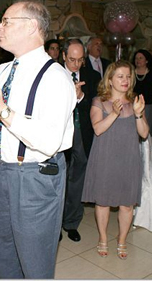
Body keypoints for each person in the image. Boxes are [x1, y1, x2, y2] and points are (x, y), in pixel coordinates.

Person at [0, 0, 76, 278]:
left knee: (34, 258)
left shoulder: (55, 77)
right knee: (3, 251)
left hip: (35, 177)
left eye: (6, 21)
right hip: (2, 172)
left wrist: (1, 110)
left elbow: (47, 141)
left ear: (31, 26)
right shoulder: (4, 70)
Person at [81, 60, 149, 260]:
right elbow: (98, 129)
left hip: (128, 158)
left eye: (128, 76)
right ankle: (102, 238)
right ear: (109, 80)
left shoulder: (135, 101)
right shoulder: (98, 101)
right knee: (102, 202)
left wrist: (138, 115)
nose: (125, 80)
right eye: (120, 76)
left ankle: (122, 240)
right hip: (105, 157)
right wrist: (113, 113)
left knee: (127, 204)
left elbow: (144, 134)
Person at [61, 38, 101, 242]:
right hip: (59, 135)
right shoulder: (54, 74)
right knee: (58, 179)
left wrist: (81, 96)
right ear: (63, 56)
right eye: (71, 60)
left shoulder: (92, 76)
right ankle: (55, 224)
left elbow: (97, 103)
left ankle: (71, 223)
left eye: (80, 60)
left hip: (82, 134)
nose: (76, 64)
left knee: (77, 180)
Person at [132, 49, 152, 132]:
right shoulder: (130, 73)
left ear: (147, 60)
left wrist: (149, 99)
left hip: (147, 105)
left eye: (141, 58)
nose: (138, 60)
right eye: (136, 58)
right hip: (132, 105)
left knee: (146, 127)